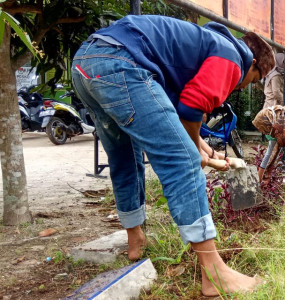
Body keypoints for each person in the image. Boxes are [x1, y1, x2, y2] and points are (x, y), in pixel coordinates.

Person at [70, 15, 274, 296]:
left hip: (87, 62)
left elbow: (179, 118)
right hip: (121, 64)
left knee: (124, 156)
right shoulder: (233, 59)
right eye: (255, 79)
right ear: (252, 64)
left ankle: (135, 240)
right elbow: (191, 110)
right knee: (183, 161)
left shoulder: (203, 45)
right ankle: (214, 273)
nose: (247, 85)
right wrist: (194, 153)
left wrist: (205, 149)